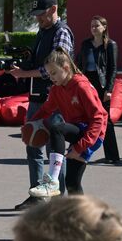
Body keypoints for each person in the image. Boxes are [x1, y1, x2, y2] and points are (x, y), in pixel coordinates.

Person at [4, 0, 75, 208]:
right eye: (36, 15)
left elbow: (55, 67)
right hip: (37, 97)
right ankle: (37, 195)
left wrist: (24, 74)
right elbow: (39, 62)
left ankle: (58, 199)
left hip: (54, 100)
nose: (38, 19)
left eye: (41, 15)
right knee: (32, 144)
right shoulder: (43, 32)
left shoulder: (61, 32)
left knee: (55, 151)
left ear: (54, 10)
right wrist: (23, 64)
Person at [27, 49, 107, 198]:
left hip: (92, 133)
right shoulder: (57, 89)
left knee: (57, 128)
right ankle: (83, 217)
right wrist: (31, 123)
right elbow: (46, 109)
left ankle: (52, 181)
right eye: (49, 74)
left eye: (53, 73)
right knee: (72, 182)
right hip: (78, 130)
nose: (51, 77)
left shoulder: (81, 86)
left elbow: (98, 119)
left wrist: (80, 147)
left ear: (65, 68)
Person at [80, 15, 121, 163]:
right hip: (87, 82)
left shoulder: (110, 45)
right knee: (84, 117)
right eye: (92, 26)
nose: (93, 28)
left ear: (104, 27)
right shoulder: (86, 44)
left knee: (106, 120)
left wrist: (109, 90)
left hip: (102, 84)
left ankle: (112, 156)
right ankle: (80, 150)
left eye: (97, 25)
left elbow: (113, 69)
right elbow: (79, 64)